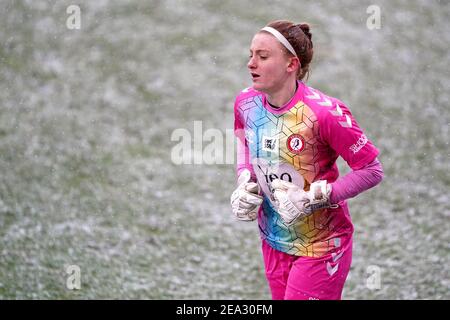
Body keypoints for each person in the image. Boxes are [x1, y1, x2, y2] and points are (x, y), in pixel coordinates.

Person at [230, 20, 384, 300]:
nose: (251, 63)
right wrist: (245, 180)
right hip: (273, 240)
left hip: (322, 246)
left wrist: (318, 196)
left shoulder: (326, 114)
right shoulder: (246, 103)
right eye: (250, 54)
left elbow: (371, 169)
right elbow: (245, 143)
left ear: (291, 64)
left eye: (263, 57)